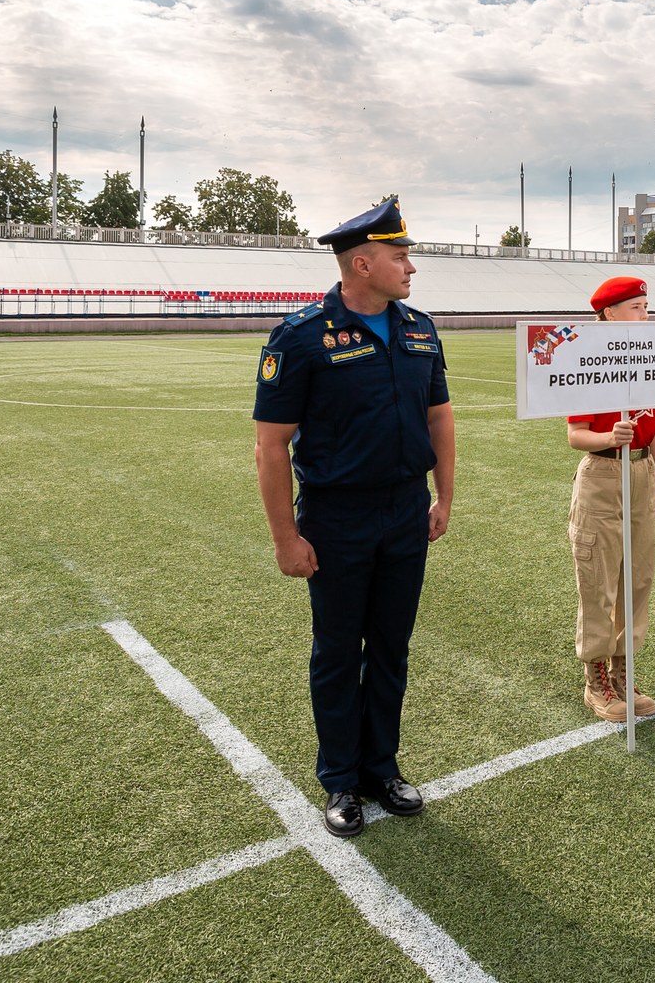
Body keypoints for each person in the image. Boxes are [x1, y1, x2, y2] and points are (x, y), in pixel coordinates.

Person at [253, 197, 454, 838]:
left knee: (391, 646)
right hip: (336, 519)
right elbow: (270, 443)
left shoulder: (420, 328)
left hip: (403, 511)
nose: (411, 268)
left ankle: (380, 766)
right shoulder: (301, 336)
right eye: (400, 257)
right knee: (339, 650)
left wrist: (443, 497)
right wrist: (286, 536)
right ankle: (340, 779)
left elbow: (439, 416)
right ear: (361, 264)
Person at [564, 277, 655, 723]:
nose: (645, 315)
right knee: (599, 581)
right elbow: (575, 435)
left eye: (646, 306)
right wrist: (610, 435)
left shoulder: (648, 360)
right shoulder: (586, 360)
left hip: (640, 472)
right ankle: (597, 679)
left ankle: (625, 669)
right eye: (636, 308)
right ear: (608, 314)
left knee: (637, 579)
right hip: (603, 473)